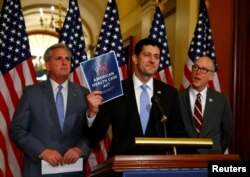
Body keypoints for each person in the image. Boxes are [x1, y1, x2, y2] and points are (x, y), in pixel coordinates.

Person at [10, 43, 101, 177]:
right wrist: (42, 151)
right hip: (38, 170)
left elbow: (92, 130)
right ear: (47, 65)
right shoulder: (31, 93)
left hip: (73, 171)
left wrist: (80, 148)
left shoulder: (84, 93)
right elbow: (17, 129)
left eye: (67, 59)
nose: (64, 62)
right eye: (59, 59)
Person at [87, 38, 188, 157]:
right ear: (135, 59)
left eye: (156, 56)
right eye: (147, 55)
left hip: (158, 165)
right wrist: (92, 113)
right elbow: (94, 137)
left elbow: (178, 134)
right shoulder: (116, 91)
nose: (152, 60)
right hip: (122, 165)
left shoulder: (170, 93)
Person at [179, 56, 233, 154]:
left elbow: (227, 133)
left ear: (211, 76)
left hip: (212, 156)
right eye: (195, 67)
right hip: (185, 156)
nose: (198, 72)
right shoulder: (178, 98)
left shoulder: (221, 100)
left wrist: (217, 150)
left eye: (203, 69)